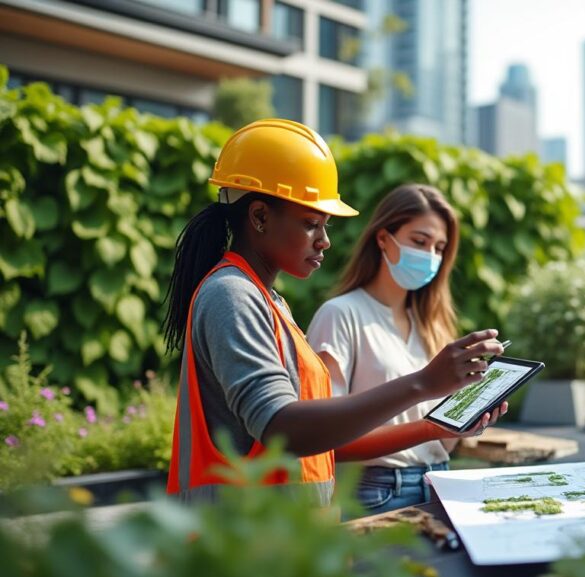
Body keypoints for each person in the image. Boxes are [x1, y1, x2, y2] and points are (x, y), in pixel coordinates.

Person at [163, 119, 504, 506]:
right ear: (259, 217)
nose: (325, 241)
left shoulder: (268, 301)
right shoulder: (231, 295)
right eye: (311, 224)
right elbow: (281, 428)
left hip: (278, 540)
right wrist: (423, 384)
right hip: (240, 544)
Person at [306, 184, 505, 513]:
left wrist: (468, 415)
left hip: (439, 483)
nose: (430, 256)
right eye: (419, 241)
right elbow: (327, 439)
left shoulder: (433, 325)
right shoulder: (340, 315)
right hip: (376, 492)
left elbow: (443, 443)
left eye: (440, 248)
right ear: (383, 238)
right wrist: (431, 428)